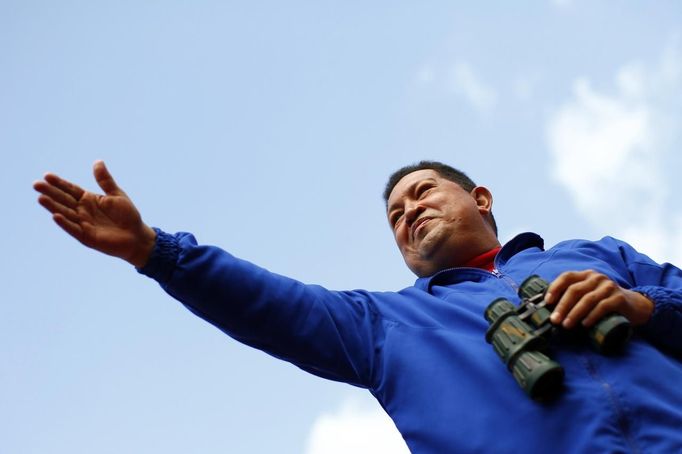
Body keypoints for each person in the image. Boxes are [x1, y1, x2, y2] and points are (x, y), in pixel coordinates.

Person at [34, 160, 682, 453]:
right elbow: (272, 304)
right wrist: (156, 251)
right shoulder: (385, 327)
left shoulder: (594, 254)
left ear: (480, 197)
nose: (410, 213)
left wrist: (643, 307)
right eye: (396, 217)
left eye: (423, 193)